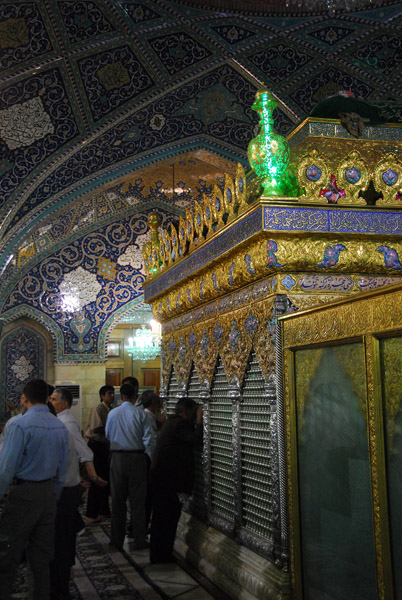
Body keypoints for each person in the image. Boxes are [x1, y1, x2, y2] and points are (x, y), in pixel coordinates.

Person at [0, 378, 69, 600]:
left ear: (23, 398)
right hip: (48, 495)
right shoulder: (59, 425)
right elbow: (62, 470)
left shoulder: (20, 425)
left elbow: (5, 469)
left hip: (24, 496)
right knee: (41, 558)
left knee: (7, 553)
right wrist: (52, 496)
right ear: (48, 399)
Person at [49, 388, 107, 599]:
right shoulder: (59, 422)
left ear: (65, 403)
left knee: (63, 533)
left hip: (66, 488)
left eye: (54, 399)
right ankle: (65, 568)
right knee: (64, 532)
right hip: (64, 485)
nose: (51, 402)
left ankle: (63, 571)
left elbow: (85, 452)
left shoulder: (67, 424)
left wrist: (93, 477)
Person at [149, 397, 203, 564]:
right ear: (185, 412)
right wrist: (200, 421)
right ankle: (162, 555)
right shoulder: (178, 424)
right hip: (165, 482)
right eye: (193, 414)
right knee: (168, 517)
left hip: (160, 480)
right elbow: (196, 440)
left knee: (161, 518)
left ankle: (159, 554)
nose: (194, 417)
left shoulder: (170, 422)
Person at [105, 383, 156, 551]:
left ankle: (116, 540)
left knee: (117, 501)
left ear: (121, 396)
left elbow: (108, 434)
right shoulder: (140, 414)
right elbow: (149, 439)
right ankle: (140, 540)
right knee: (138, 501)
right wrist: (149, 460)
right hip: (137, 458)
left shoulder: (113, 413)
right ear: (135, 396)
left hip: (118, 458)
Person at [84, 384, 114, 522]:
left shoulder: (110, 409)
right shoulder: (98, 408)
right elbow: (97, 428)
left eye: (113, 393)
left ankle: (103, 510)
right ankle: (91, 513)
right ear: (102, 396)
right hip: (97, 446)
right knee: (97, 480)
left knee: (104, 479)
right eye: (109, 393)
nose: (112, 396)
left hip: (104, 446)